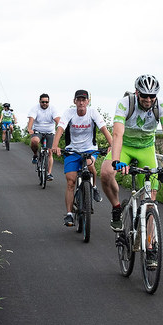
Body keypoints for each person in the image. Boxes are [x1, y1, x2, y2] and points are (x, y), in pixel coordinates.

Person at [99, 74, 163, 231]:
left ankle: (150, 243)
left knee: (150, 199)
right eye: (144, 95)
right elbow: (117, 134)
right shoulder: (125, 103)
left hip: (146, 148)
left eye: (152, 96)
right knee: (106, 173)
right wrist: (117, 160)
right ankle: (116, 207)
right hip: (125, 146)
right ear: (137, 92)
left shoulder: (161, 106)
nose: (148, 99)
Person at [52, 90, 113, 226]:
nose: (81, 102)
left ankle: (94, 187)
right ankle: (69, 214)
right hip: (72, 150)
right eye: (78, 100)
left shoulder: (93, 113)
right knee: (70, 182)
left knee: (90, 165)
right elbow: (60, 129)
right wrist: (55, 146)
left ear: (88, 101)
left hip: (90, 148)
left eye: (83, 100)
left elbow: (104, 129)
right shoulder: (69, 113)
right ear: (74, 101)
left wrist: (112, 146)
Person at [26, 93, 61, 181]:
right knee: (34, 141)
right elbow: (31, 120)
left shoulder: (52, 109)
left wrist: (60, 128)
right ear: (39, 101)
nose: (45, 104)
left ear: (49, 102)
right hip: (38, 131)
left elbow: (58, 120)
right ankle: (35, 155)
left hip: (50, 132)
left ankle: (49, 173)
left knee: (50, 152)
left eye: (46, 102)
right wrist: (29, 129)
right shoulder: (35, 108)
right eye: (43, 102)